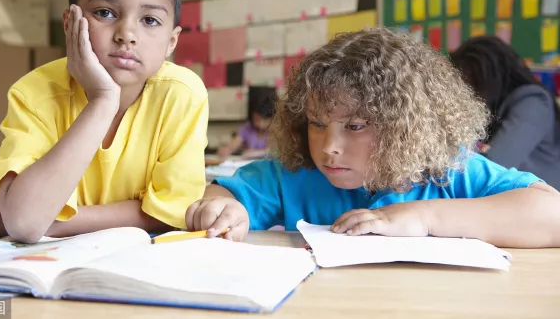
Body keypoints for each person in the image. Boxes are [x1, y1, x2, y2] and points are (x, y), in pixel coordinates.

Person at [186, 28, 560, 248]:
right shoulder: (293, 174)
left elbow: (552, 213)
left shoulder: (449, 172)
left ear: (407, 127)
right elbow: (225, 195)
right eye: (316, 123)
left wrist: (424, 217)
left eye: (354, 126)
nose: (328, 147)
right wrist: (223, 208)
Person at [0, 0, 209, 243]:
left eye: (149, 20)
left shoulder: (181, 94)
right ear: (69, 22)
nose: (127, 35)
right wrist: (103, 101)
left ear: (171, 42)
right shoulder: (35, 92)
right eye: (105, 13)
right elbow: (25, 222)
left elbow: (171, 214)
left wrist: (41, 219)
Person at [450, 36, 560, 186]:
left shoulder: (533, 101)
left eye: (472, 82)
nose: (469, 92)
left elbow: (496, 165)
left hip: (543, 202)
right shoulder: (496, 106)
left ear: (491, 77)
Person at [217, 95, 275, 159]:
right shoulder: (247, 127)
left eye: (260, 119)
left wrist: (256, 153)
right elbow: (235, 143)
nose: (257, 122)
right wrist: (227, 149)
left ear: (270, 119)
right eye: (255, 119)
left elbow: (273, 151)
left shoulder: (275, 130)